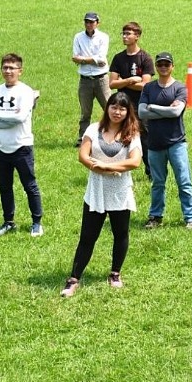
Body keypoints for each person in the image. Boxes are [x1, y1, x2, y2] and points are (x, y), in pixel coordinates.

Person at [60, 91, 144, 297]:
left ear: (128, 112)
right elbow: (83, 156)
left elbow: (135, 161)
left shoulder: (131, 133)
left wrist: (107, 166)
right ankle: (73, 278)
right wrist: (102, 169)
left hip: (119, 192)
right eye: (114, 107)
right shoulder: (93, 129)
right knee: (87, 236)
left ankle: (115, 273)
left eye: (122, 108)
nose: (117, 111)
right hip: (96, 191)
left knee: (120, 233)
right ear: (107, 108)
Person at [0, 53, 44, 236]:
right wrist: (7, 119)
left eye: (12, 68)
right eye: (5, 67)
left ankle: (36, 222)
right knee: (5, 186)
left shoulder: (25, 91)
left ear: (20, 70)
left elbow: (20, 118)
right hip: (1, 146)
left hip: (22, 147)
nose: (8, 71)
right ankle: (8, 221)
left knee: (29, 186)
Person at [139, 52, 192, 229]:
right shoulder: (148, 88)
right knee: (157, 183)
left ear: (172, 66)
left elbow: (176, 113)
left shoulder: (180, 88)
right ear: (156, 67)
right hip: (155, 144)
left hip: (176, 143)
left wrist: (153, 107)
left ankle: (190, 218)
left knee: (184, 181)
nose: (163, 67)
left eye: (167, 64)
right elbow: (142, 113)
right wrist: (165, 110)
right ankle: (155, 216)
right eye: (160, 65)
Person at [108, 21, 155, 176]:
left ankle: (151, 171)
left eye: (128, 34)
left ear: (137, 36)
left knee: (145, 138)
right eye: (123, 33)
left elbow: (145, 85)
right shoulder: (118, 58)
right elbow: (112, 83)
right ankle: (118, 169)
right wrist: (130, 80)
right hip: (123, 105)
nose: (124, 36)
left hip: (141, 104)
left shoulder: (145, 58)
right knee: (120, 137)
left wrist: (124, 82)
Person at [72, 11, 111, 147]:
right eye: (87, 22)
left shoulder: (103, 37)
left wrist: (83, 59)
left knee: (109, 107)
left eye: (92, 22)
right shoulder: (78, 37)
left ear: (97, 23)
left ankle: (114, 134)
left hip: (101, 79)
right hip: (85, 80)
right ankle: (82, 138)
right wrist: (93, 60)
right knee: (85, 111)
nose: (89, 24)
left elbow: (101, 59)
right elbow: (75, 57)